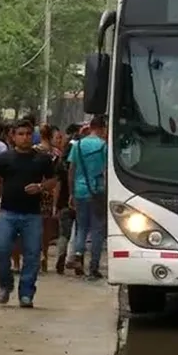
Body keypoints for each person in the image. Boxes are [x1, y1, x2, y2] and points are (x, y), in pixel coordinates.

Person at [0, 120, 57, 308]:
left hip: (32, 215)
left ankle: (26, 292)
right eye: (21, 134)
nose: (25, 137)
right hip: (8, 213)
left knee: (33, 254)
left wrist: (41, 187)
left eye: (28, 134)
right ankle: (5, 285)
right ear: (13, 136)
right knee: (1, 249)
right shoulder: (4, 158)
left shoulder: (42, 159)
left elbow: (53, 181)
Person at [66, 115, 108, 280]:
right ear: (102, 128)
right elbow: (106, 170)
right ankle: (94, 267)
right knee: (97, 230)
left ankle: (78, 254)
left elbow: (71, 170)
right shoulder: (104, 146)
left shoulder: (78, 144)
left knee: (81, 227)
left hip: (80, 191)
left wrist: (71, 193)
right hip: (98, 191)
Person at [33, 124, 62, 272]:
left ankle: (36, 254)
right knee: (46, 227)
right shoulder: (56, 153)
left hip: (35, 190)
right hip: (49, 192)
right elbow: (57, 179)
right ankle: (44, 254)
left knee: (34, 226)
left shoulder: (33, 151)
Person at [52, 126, 75, 274]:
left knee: (63, 232)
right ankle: (76, 257)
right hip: (78, 198)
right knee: (78, 230)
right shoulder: (75, 166)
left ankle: (61, 254)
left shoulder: (59, 165)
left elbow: (57, 186)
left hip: (63, 202)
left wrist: (55, 205)